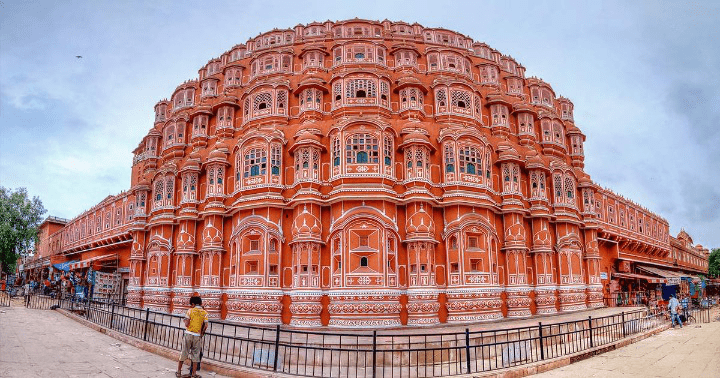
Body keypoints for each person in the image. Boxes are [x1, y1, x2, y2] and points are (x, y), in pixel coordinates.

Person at [176, 296, 208, 378]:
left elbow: (186, 324)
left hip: (188, 334)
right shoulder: (204, 312)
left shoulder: (190, 310)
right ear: (200, 303)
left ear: (193, 304)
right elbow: (206, 326)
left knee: (184, 352)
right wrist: (202, 333)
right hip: (197, 335)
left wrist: (186, 322)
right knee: (196, 356)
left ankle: (179, 372)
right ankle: (193, 374)